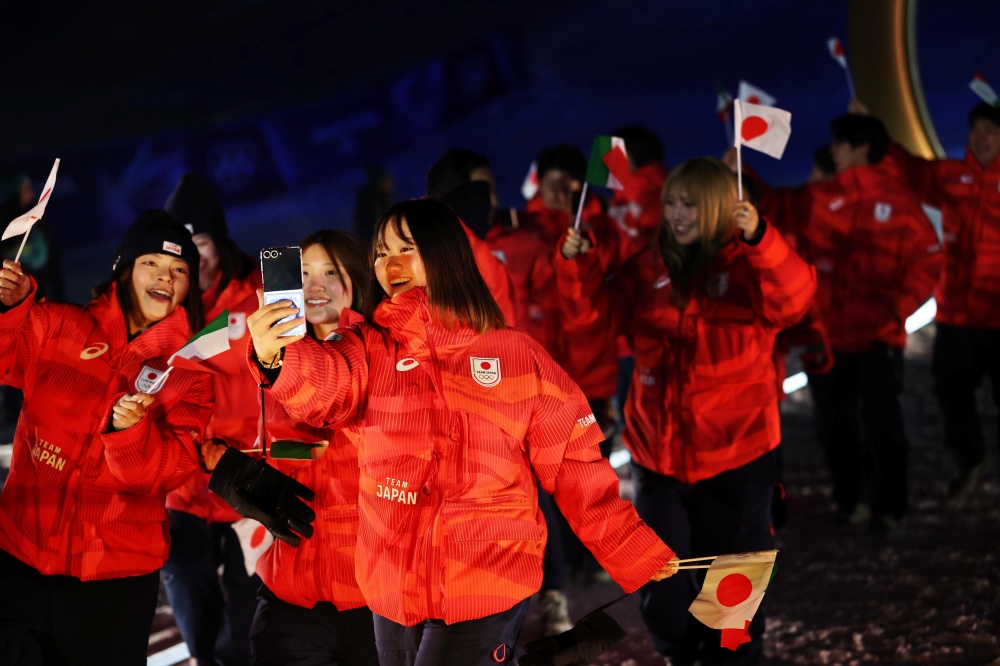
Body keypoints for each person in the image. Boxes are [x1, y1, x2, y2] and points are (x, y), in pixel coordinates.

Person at [246, 198, 678, 665]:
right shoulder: (366, 349)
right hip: (392, 586)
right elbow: (324, 385)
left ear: (443, 252)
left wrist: (636, 553)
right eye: (381, 253)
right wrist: (276, 357)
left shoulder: (516, 355)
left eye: (406, 248)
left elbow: (578, 471)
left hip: (487, 579)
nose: (390, 264)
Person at [558, 157, 816, 664]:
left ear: (720, 208)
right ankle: (680, 651)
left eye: (690, 205)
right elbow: (593, 320)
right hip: (659, 460)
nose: (677, 214)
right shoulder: (647, 265)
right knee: (665, 589)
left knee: (733, 591)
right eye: (672, 203)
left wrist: (762, 238)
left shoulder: (749, 264)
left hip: (739, 452)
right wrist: (579, 267)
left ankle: (733, 659)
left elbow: (793, 300)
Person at [0, 210, 213, 666]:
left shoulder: (190, 377)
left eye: (179, 269)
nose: (166, 276)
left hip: (114, 587)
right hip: (18, 560)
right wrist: (9, 310)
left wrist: (129, 433)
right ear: (124, 269)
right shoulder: (57, 325)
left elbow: (162, 475)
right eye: (151, 263)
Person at [753, 114, 943, 534]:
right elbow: (775, 206)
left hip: (878, 338)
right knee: (833, 425)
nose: (832, 150)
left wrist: (895, 308)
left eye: (839, 143)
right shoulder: (821, 197)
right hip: (827, 336)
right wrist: (742, 168)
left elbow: (928, 259)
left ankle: (889, 507)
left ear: (861, 149)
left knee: (882, 423)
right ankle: (850, 501)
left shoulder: (898, 201)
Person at [427, 148, 571, 635]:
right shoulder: (427, 248)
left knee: (531, 498)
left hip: (510, 394)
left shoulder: (510, 242)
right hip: (451, 408)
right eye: (481, 190)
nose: (491, 201)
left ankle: (549, 595)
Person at [242, 229, 378, 665]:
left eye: (331, 272)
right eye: (301, 275)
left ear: (358, 278)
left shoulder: (385, 353)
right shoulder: (265, 355)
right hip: (292, 586)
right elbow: (247, 438)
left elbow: (326, 385)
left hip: (374, 594)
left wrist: (279, 361)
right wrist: (235, 476)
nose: (314, 286)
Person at [161, 173, 262, 666]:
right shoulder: (156, 302)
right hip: (183, 483)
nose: (194, 257)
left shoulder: (261, 292)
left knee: (247, 618)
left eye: (200, 242)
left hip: (248, 477)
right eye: (183, 248)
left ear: (219, 240)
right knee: (187, 594)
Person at [881, 100, 1000, 505]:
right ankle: (972, 461)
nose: (982, 138)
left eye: (991, 131)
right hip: (956, 318)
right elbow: (911, 171)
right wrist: (876, 133)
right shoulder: (952, 177)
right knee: (951, 395)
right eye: (976, 130)